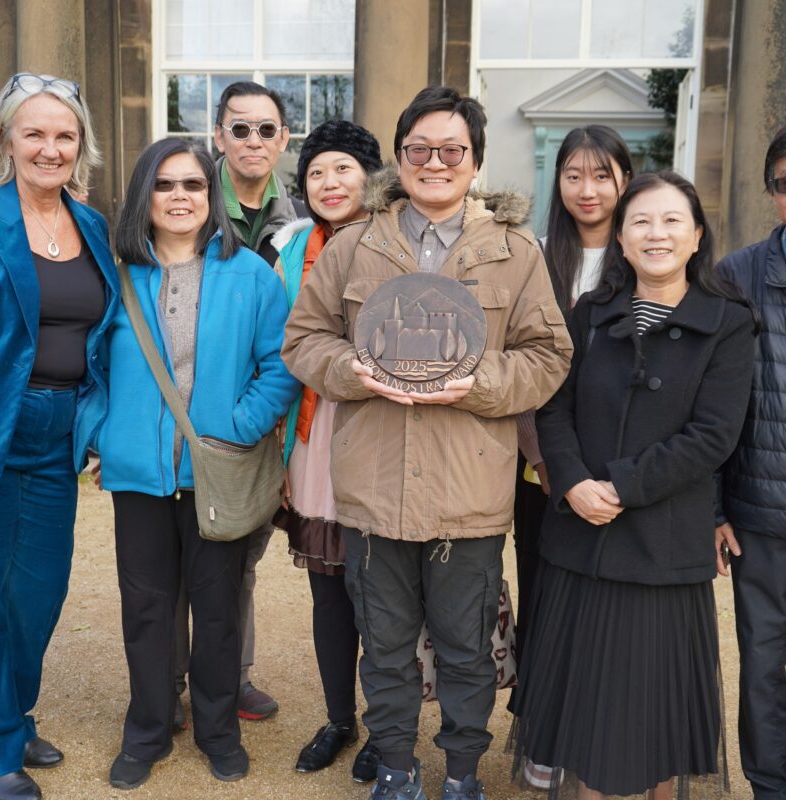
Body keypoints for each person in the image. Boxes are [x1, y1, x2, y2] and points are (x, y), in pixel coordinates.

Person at [282, 85, 572, 800]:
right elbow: (303, 340)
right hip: (374, 490)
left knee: (467, 645)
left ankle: (464, 772)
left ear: (474, 162)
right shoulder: (355, 244)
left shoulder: (514, 252)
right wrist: (348, 370)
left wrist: (474, 381)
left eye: (452, 150)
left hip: (467, 492)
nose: (434, 162)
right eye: (420, 149)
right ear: (401, 156)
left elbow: (547, 356)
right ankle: (396, 768)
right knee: (383, 644)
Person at [510, 171, 756, 800]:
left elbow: (713, 435)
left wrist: (616, 487)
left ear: (697, 236)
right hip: (580, 542)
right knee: (584, 713)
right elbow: (552, 409)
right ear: (620, 238)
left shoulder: (727, 323)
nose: (656, 233)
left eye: (673, 220)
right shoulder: (590, 315)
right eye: (641, 221)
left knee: (652, 716)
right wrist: (570, 483)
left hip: (662, 547)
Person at [94, 137, 298, 790]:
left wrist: (236, 427)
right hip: (139, 478)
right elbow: (89, 366)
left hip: (221, 472)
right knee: (147, 609)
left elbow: (282, 365)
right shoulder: (114, 273)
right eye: (165, 185)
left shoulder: (251, 277)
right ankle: (148, 730)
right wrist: (103, 435)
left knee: (216, 612)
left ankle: (217, 732)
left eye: (193, 185)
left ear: (211, 198)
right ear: (142, 197)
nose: (180, 197)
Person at [0, 73, 118, 800]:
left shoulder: (91, 225)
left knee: (39, 591)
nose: (49, 147)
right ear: (8, 139)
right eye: (34, 132)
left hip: (61, 431)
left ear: (80, 146)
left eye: (63, 135)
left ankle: (14, 711)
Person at [173, 80, 308, 725]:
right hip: (183, 415)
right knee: (171, 556)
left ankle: (231, 675)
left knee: (239, 549)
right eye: (239, 128)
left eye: (266, 129)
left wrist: (251, 420)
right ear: (218, 137)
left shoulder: (304, 217)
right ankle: (169, 679)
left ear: (283, 139)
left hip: (262, 413)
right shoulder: (185, 201)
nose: (254, 140)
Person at [511, 125, 632, 790]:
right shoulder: (534, 256)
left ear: (624, 179)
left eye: (603, 175)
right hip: (542, 469)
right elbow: (524, 364)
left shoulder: (643, 254)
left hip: (619, 471)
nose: (588, 190)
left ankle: (598, 733)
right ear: (556, 183)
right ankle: (542, 733)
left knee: (607, 606)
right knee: (544, 598)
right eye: (574, 176)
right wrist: (548, 461)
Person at [270, 119, 383, 781]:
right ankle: (340, 717)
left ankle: (385, 724)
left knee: (382, 594)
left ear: (370, 175)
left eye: (343, 168)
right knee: (328, 591)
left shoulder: (399, 241)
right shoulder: (291, 251)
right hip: (312, 436)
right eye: (316, 172)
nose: (329, 182)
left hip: (377, 432)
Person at [715, 123, 786, 800]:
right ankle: (769, 787)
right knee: (764, 664)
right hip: (763, 514)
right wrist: (713, 508)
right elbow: (711, 401)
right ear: (773, 192)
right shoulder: (737, 274)